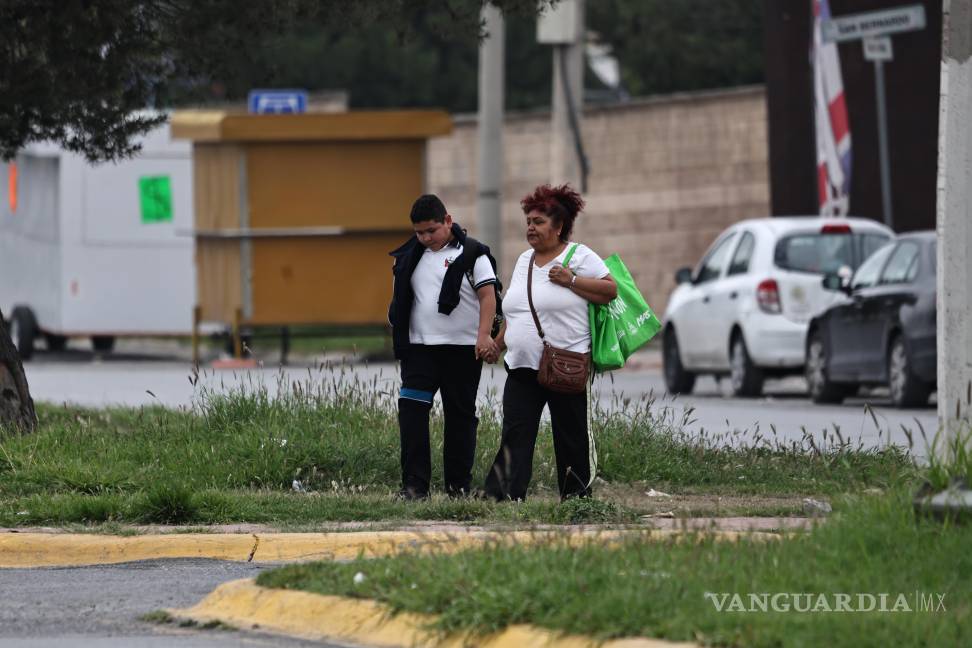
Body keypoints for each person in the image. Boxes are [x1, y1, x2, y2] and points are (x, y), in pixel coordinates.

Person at [483, 184, 617, 501]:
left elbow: (610, 290)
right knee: (516, 433)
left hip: (565, 364)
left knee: (569, 436)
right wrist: (498, 343)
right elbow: (516, 311)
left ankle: (575, 499)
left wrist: (571, 280)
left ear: (558, 227)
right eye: (529, 220)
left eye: (539, 221)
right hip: (522, 366)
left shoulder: (579, 255)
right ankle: (502, 497)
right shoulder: (524, 261)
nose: (531, 227)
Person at [388, 194, 500, 500]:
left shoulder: (474, 253)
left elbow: (487, 296)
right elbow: (401, 297)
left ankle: (457, 487)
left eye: (431, 231)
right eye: (419, 232)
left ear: (448, 221)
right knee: (411, 413)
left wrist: (483, 335)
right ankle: (414, 486)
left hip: (462, 351)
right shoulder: (410, 254)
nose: (425, 238)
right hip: (420, 349)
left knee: (460, 417)